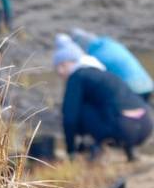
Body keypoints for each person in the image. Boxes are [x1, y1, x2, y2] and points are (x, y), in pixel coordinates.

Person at [53, 34, 152, 162]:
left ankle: (95, 149)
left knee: (79, 110)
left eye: (62, 65)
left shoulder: (77, 76)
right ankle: (130, 151)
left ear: (74, 61)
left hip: (123, 128)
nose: (60, 72)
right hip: (146, 125)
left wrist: (70, 151)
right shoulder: (103, 73)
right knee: (105, 105)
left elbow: (69, 117)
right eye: (57, 68)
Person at [71, 28, 153, 102]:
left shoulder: (95, 56)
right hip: (147, 85)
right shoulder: (110, 44)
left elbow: (96, 81)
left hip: (131, 90)